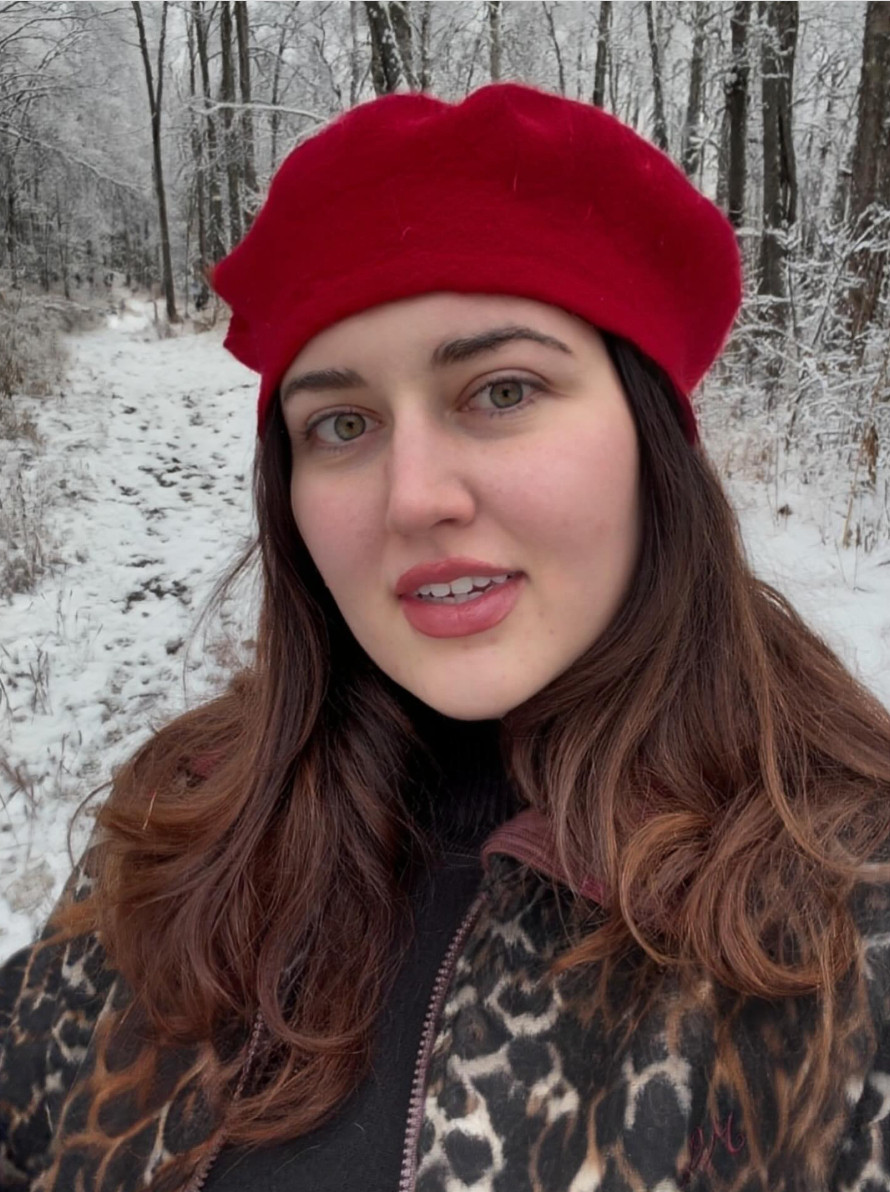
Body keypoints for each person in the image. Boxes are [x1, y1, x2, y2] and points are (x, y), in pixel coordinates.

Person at [3, 81, 890, 1192]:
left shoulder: (846, 910)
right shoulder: (185, 826)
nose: (411, 496)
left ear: (650, 438)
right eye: (340, 423)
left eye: (501, 390)